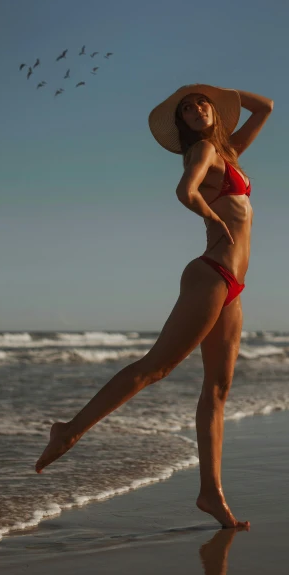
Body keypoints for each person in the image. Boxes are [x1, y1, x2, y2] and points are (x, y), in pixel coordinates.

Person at [35, 83, 273, 528]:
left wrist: (218, 90)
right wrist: (213, 216)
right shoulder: (203, 149)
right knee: (155, 368)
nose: (196, 109)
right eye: (187, 108)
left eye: (202, 103)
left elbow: (266, 107)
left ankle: (211, 493)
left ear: (215, 111)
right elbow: (186, 191)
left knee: (218, 391)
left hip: (232, 286)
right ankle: (69, 430)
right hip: (211, 275)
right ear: (183, 124)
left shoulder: (230, 153)